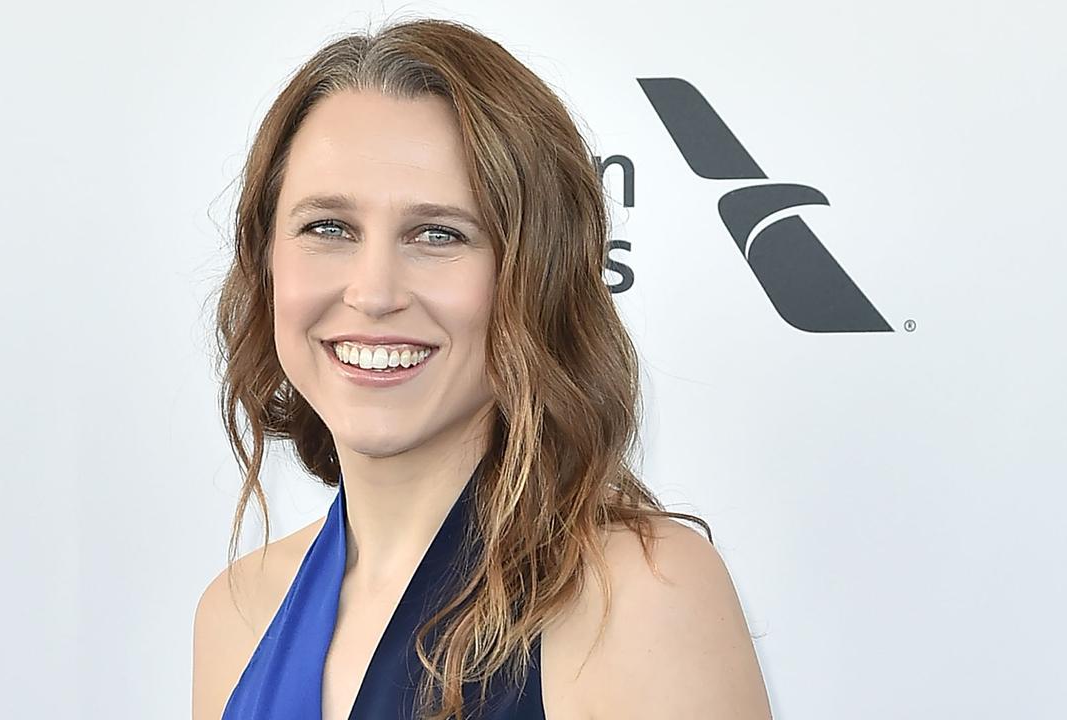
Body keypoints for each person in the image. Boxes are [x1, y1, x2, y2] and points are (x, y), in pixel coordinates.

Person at [192, 16, 772, 720]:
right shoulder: (238, 611)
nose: (374, 292)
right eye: (329, 228)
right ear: (265, 260)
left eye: (439, 233)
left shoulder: (639, 596)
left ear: (535, 277)